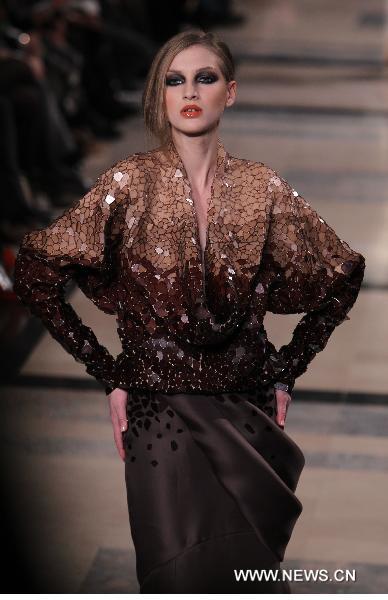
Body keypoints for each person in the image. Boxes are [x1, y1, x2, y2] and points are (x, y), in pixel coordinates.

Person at [12, 29, 366, 593]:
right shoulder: (128, 184)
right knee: (175, 573)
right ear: (160, 95)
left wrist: (287, 370)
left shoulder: (263, 188)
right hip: (159, 415)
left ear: (232, 91)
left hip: (245, 411)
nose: (189, 91)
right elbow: (35, 270)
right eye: (174, 80)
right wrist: (109, 373)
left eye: (206, 77)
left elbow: (344, 273)